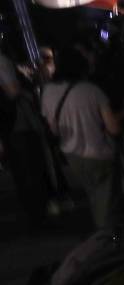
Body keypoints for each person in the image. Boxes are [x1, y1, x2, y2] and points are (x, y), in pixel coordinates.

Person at [41, 45, 123, 227]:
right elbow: (113, 127)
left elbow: (52, 128)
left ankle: (103, 236)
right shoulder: (92, 90)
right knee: (107, 202)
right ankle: (109, 240)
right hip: (99, 154)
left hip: (71, 156)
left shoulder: (47, 92)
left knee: (93, 196)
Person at [1, 44, 53, 226]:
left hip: (6, 124)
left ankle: (32, 210)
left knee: (21, 170)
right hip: (18, 122)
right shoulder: (2, 61)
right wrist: (25, 90)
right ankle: (39, 212)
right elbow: (13, 92)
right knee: (30, 167)